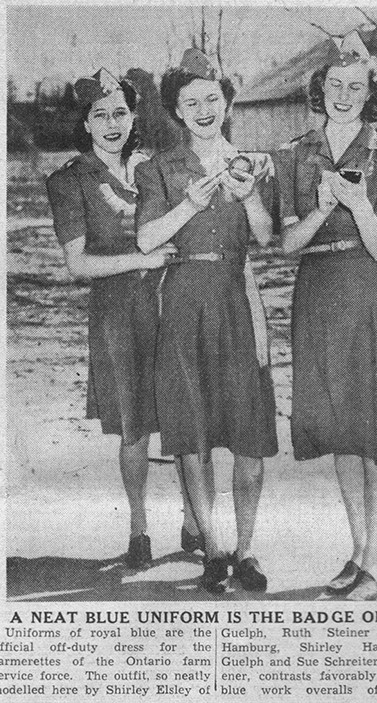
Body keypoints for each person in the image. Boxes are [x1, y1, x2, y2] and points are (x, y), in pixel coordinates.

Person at [276, 32, 377, 601]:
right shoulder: (295, 153)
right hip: (317, 291)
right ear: (321, 90)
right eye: (334, 85)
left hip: (369, 293)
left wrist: (358, 202)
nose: (344, 95)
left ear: (372, 93)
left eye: (355, 86)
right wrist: (320, 209)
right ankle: (356, 548)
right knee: (341, 428)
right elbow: (287, 244)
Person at [135, 49, 278, 595]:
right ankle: (214, 551)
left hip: (238, 300)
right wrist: (190, 206)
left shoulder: (252, 162)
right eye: (189, 102)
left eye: (211, 100)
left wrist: (251, 197)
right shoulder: (158, 169)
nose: (202, 110)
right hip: (185, 302)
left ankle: (247, 549)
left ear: (226, 104)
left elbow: (265, 238)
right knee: (191, 433)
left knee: (249, 434)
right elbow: (148, 239)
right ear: (175, 110)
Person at [46, 69, 198, 569]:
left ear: (134, 118)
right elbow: (77, 265)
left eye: (120, 113)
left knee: (185, 417)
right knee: (135, 428)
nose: (111, 124)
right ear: (85, 123)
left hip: (172, 301)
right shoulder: (70, 180)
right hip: (118, 313)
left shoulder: (157, 168)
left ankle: (195, 520)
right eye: (99, 115)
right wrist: (143, 260)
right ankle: (139, 528)